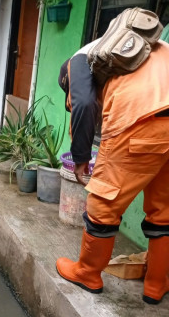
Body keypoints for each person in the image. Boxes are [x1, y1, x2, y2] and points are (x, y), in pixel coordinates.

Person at [55, 39, 169, 305]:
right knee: (164, 210)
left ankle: (87, 273)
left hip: (137, 120)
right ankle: (157, 283)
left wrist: (81, 157)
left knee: (104, 202)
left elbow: (83, 104)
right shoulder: (150, 46)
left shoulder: (78, 61)